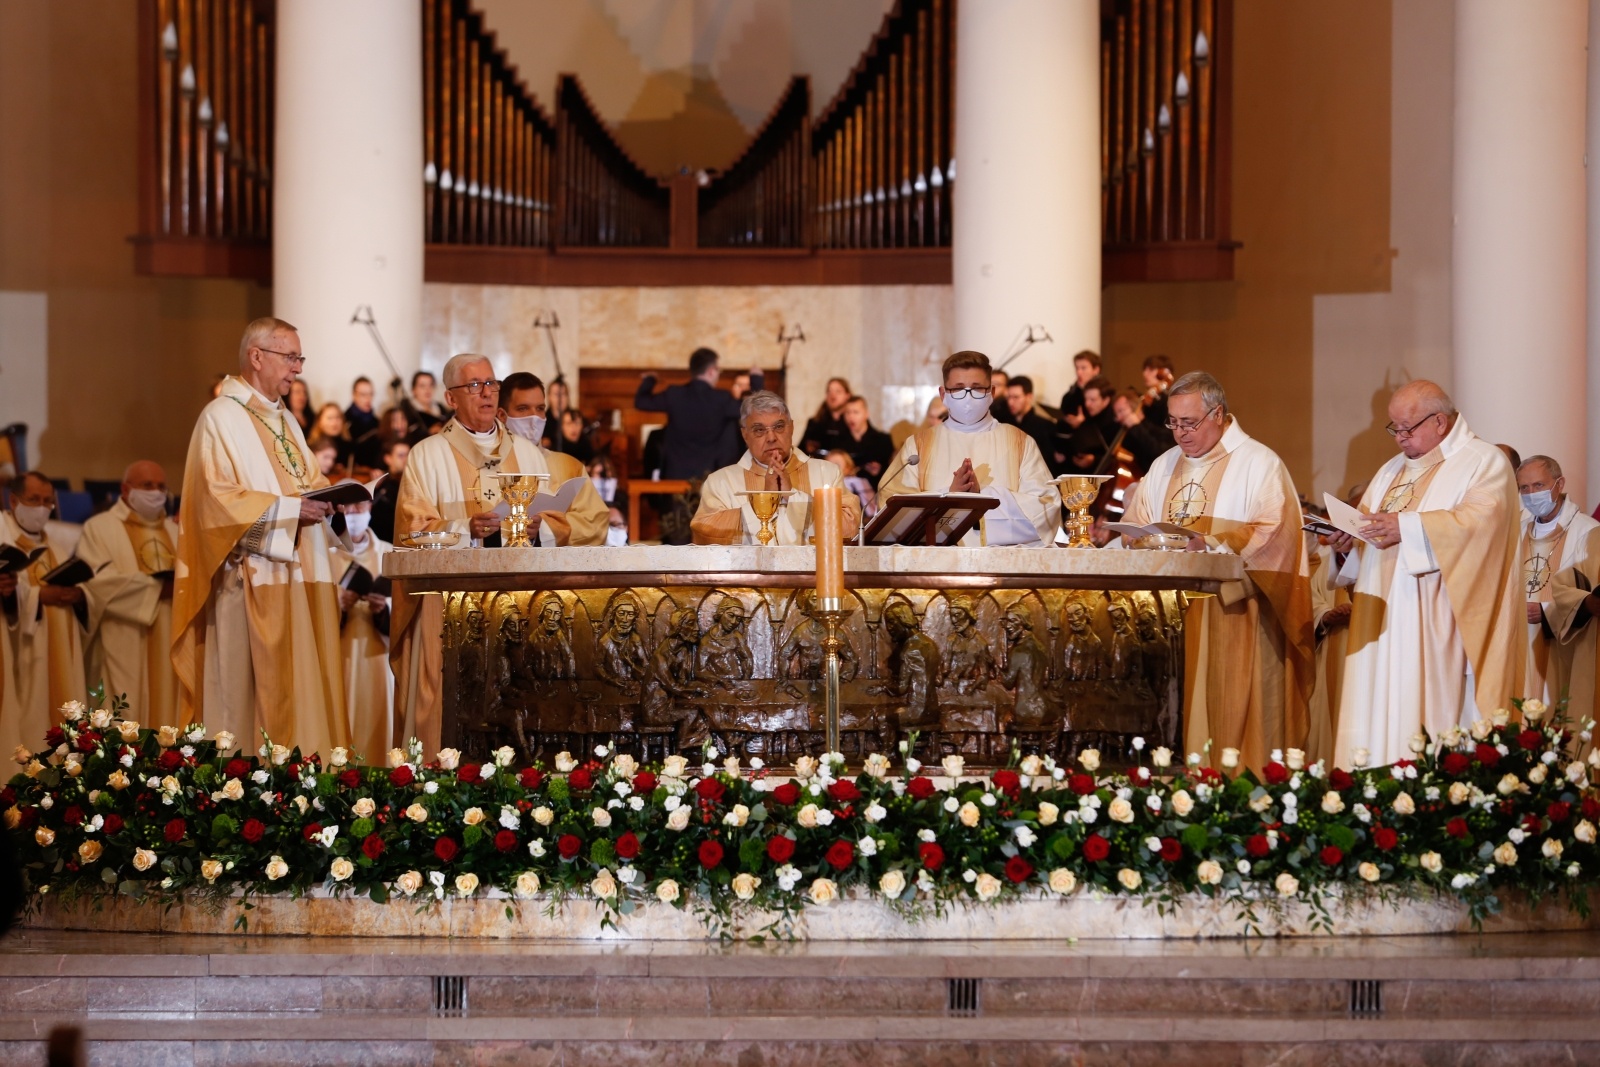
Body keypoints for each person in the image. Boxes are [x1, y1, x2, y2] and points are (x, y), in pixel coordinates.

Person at [392, 354, 608, 751]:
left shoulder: (527, 455)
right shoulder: (428, 455)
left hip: (516, 606)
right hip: (447, 608)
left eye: (490, 383)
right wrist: (464, 529)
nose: (486, 392)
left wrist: (540, 529)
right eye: (473, 386)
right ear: (451, 398)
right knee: (448, 701)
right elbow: (412, 532)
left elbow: (566, 521)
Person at [171, 316, 350, 755]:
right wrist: (292, 510)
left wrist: (331, 497)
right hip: (247, 582)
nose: (298, 368)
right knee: (244, 701)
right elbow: (211, 503)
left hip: (297, 580)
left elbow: (304, 479)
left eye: (299, 357)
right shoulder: (220, 418)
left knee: (302, 688)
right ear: (256, 357)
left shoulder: (285, 421)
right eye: (290, 357)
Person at [1116, 372, 1312, 770]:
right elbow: (1136, 524)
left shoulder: (1259, 463)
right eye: (1172, 422)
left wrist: (1214, 544)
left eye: (1190, 422)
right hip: (1172, 618)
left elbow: (1278, 534)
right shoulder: (1163, 464)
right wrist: (1147, 540)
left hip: (1238, 616)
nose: (1180, 434)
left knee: (1234, 723)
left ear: (1218, 414)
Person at [1330, 380, 1523, 767]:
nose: (1399, 438)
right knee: (1378, 705)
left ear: (1439, 421)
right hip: (1382, 615)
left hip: (1435, 616)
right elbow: (1371, 525)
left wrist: (1410, 528)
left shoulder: (1484, 461)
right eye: (1394, 429)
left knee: (1425, 708)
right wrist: (1349, 538)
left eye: (1407, 428)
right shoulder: (1390, 472)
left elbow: (1482, 523)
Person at [878, 351, 1060, 547]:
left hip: (1001, 568)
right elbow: (890, 507)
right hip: (935, 569)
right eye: (957, 389)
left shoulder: (1020, 442)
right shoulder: (918, 446)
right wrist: (949, 497)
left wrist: (983, 497)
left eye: (977, 388)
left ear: (992, 392)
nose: (967, 397)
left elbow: (1047, 507)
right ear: (943, 394)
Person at [77, 461, 179, 729]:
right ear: (125, 489)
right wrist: (158, 589)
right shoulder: (99, 527)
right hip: (122, 637)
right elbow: (98, 585)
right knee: (124, 715)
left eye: (161, 486)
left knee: (169, 714)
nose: (156, 492)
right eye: (147, 485)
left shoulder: (176, 531)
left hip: (170, 635)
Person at [691, 391, 861, 545]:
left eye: (779, 427)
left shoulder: (827, 473)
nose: (771, 437)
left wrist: (793, 497)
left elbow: (850, 528)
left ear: (792, 427)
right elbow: (704, 533)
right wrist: (763, 503)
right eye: (759, 430)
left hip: (814, 578)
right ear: (745, 435)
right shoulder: (721, 482)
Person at [0, 471, 86, 760]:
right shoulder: (3, 535)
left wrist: (78, 595)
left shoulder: (58, 548)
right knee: (26, 722)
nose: (42, 507)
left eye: (48, 501)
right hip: (23, 657)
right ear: (13, 500)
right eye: (34, 499)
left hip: (60, 653)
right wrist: (37, 596)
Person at [1515, 455, 1599, 710]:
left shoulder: (1588, 531)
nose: (1531, 494)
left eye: (1539, 485)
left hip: (1562, 643)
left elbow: (1592, 597)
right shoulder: (1517, 529)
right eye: (1524, 488)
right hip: (1519, 639)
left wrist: (1545, 610)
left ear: (1559, 484)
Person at [635, 348, 763, 479]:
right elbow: (754, 408)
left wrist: (650, 379)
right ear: (711, 371)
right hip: (710, 476)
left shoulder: (674, 394)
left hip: (675, 475)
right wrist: (756, 379)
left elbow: (641, 402)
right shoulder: (722, 399)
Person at [331, 497, 392, 761]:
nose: (354, 512)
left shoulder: (389, 553)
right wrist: (337, 605)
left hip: (379, 658)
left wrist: (384, 608)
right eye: (348, 506)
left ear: (370, 508)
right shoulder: (324, 554)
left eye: (361, 506)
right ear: (339, 509)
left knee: (380, 723)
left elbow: (406, 607)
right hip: (338, 655)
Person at [1057, 376, 1119, 474]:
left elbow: (1116, 458)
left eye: (1093, 400)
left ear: (1106, 400)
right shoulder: (1086, 414)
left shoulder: (1116, 421)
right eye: (1086, 399)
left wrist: (1094, 460)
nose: (1087, 404)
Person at [1005, 376, 1061, 476]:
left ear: (1029, 397)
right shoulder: (1005, 425)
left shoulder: (1046, 426)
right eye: (1009, 397)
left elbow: (1050, 465)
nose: (1010, 402)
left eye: (1016, 397)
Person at [1110, 388, 1176, 472]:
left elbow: (1159, 453)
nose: (1118, 418)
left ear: (1136, 409)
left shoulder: (1155, 428)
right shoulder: (1125, 434)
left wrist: (1136, 427)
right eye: (1116, 414)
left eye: (1121, 411)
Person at [840, 396, 895, 487]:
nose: (851, 417)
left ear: (866, 414)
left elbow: (893, 472)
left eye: (856, 412)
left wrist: (879, 471)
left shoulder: (883, 440)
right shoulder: (838, 441)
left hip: (876, 492)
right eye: (847, 412)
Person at [369, 437, 408, 544]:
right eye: (400, 455)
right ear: (388, 459)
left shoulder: (413, 482)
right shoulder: (382, 484)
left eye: (408, 455)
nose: (406, 459)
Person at [800, 376, 853, 456]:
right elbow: (800, 452)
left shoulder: (853, 423)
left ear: (847, 396)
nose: (833, 395)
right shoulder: (815, 423)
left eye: (838, 391)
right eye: (829, 391)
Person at [498, 370, 549, 445]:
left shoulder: (557, 457)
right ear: (502, 415)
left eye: (540, 408)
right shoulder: (489, 456)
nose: (534, 416)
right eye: (523, 408)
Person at [1057, 350, 1103, 430]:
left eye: (1083, 368)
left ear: (1096, 370)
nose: (1079, 372)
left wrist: (1083, 422)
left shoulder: (1103, 393)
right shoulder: (1072, 393)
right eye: (1077, 368)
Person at [309, 402, 353, 473]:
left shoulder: (349, 446)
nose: (334, 422)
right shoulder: (311, 446)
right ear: (320, 421)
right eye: (330, 418)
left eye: (338, 417)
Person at [402, 370, 446, 439]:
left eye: (431, 385)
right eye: (422, 386)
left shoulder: (441, 408)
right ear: (413, 390)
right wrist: (429, 432)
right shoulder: (406, 409)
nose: (427, 390)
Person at [345, 377, 379, 441]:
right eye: (363, 395)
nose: (368, 398)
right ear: (354, 395)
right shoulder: (344, 422)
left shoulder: (377, 423)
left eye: (371, 394)